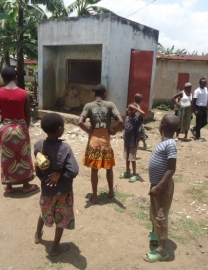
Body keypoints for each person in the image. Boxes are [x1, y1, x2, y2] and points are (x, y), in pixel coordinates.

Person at [34, 113, 79, 256]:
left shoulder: (38, 145)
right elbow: (73, 170)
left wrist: (44, 178)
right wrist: (60, 175)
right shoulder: (65, 148)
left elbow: (38, 169)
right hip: (63, 192)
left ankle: (37, 235)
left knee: (44, 212)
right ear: (60, 129)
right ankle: (55, 248)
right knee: (61, 218)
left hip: (46, 190)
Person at [78, 84, 123, 204]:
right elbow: (121, 120)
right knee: (109, 168)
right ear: (105, 94)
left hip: (94, 142)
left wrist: (89, 130)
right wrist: (113, 132)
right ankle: (111, 192)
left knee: (94, 170)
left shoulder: (88, 106)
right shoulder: (110, 105)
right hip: (106, 142)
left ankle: (95, 196)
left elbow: (80, 122)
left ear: (94, 94)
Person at [144, 114, 178, 263]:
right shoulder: (164, 143)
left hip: (162, 187)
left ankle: (162, 251)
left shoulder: (170, 144)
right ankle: (156, 235)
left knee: (161, 215)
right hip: (157, 185)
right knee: (154, 211)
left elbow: (171, 169)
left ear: (161, 126)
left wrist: (158, 186)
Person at [0, 67, 38, 194]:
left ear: (3, 79)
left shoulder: (0, 93)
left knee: (7, 156)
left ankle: (9, 186)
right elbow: (28, 114)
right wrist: (26, 128)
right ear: (15, 77)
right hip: (21, 127)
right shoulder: (23, 93)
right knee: (24, 156)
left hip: (5, 128)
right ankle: (26, 186)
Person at [120, 104, 145, 182]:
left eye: (131, 109)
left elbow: (143, 114)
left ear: (135, 111)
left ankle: (134, 174)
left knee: (132, 159)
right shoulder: (127, 118)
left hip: (133, 143)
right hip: (126, 142)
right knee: (127, 158)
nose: (129, 110)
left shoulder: (137, 119)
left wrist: (136, 108)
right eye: (129, 109)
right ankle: (127, 171)